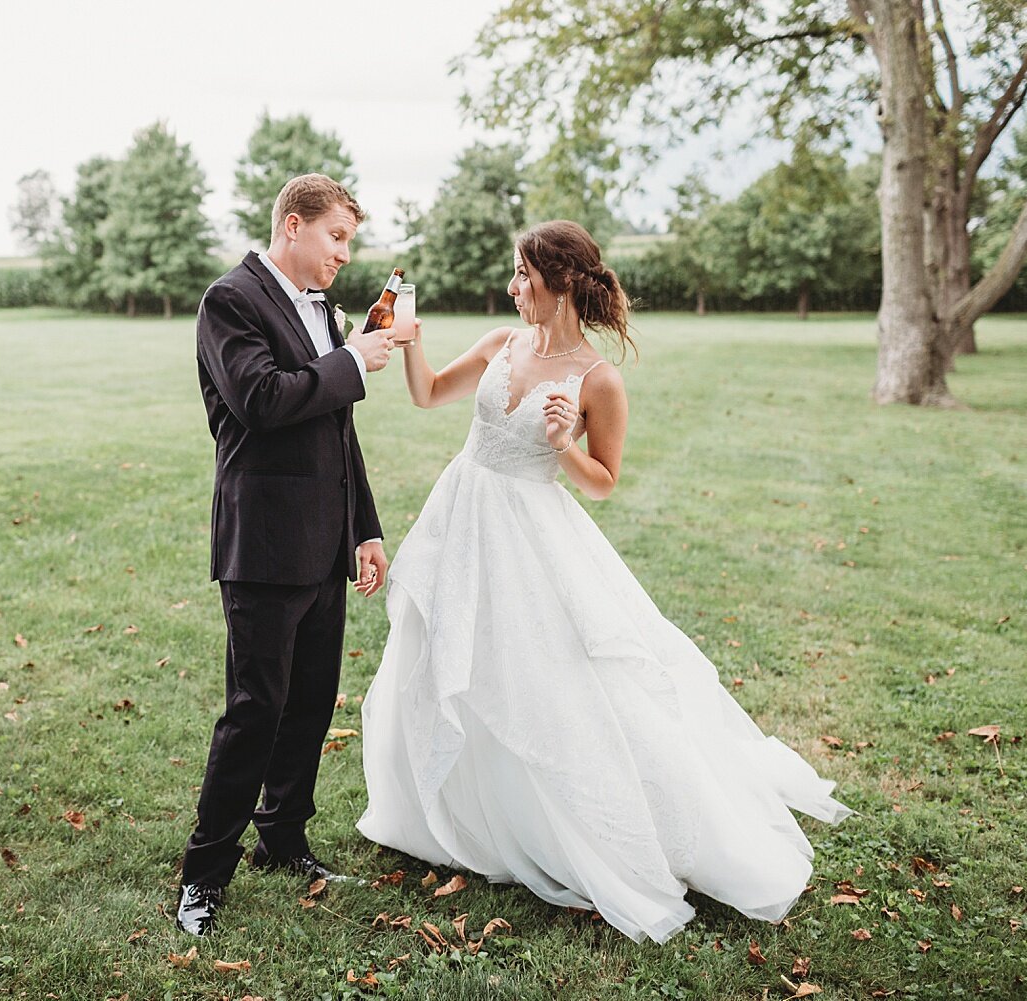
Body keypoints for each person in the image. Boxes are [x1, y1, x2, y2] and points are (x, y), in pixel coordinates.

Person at [356, 220, 851, 944]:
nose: (511, 287)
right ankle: (462, 813)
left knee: (543, 678)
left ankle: (574, 824)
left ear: (559, 283)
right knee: (447, 656)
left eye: (523, 276)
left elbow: (606, 482)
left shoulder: (599, 380)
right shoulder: (502, 342)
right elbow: (429, 393)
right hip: (462, 517)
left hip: (531, 538)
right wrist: (411, 338)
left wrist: (563, 444)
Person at [180, 174, 395, 936]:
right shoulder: (229, 300)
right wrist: (358, 360)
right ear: (293, 226)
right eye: (336, 236)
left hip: (323, 540)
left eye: (348, 241)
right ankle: (203, 871)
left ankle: (283, 836)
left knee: (309, 704)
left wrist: (363, 525)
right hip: (263, 542)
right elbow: (262, 399)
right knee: (255, 709)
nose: (343, 253)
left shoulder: (323, 311)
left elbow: (336, 425)